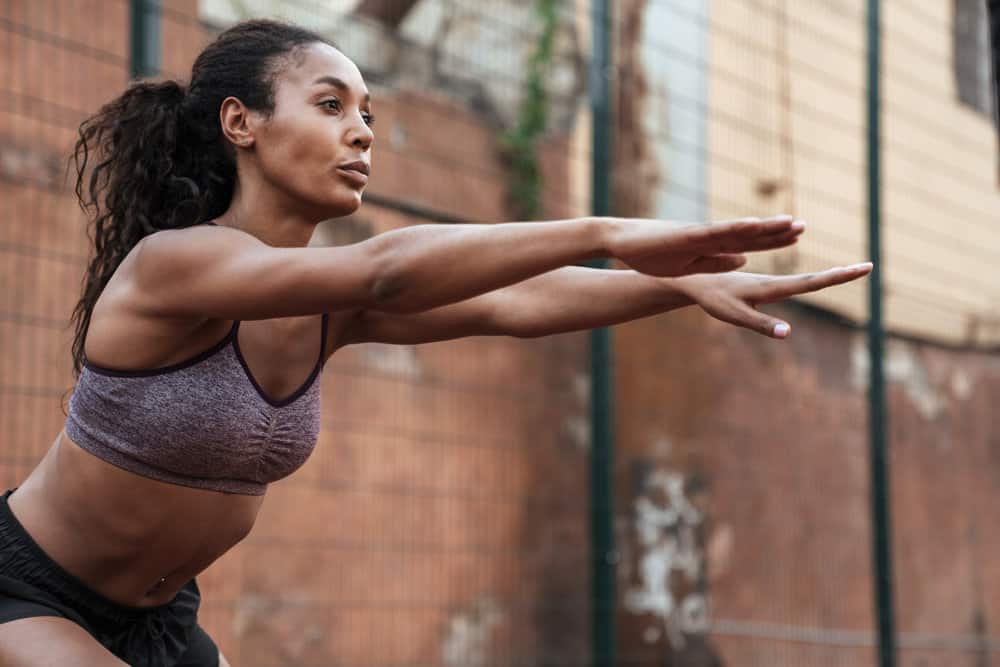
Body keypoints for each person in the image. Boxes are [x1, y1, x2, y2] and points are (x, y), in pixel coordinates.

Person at [0, 18, 872, 667]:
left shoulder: (327, 308)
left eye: (369, 112)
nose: (363, 131)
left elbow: (518, 302)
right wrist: (606, 228)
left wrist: (679, 285)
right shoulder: (173, 268)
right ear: (241, 123)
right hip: (31, 590)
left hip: (164, 620)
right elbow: (386, 270)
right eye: (332, 104)